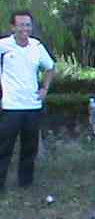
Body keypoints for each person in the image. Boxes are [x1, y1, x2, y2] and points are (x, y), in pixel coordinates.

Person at [0, 10, 55, 191]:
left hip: (32, 105)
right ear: (12, 27)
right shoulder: (3, 45)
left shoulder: (37, 46)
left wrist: (45, 88)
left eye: (28, 25)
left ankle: (25, 184)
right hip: (10, 106)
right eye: (21, 25)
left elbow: (50, 67)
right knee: (4, 148)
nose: (25, 28)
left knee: (30, 147)